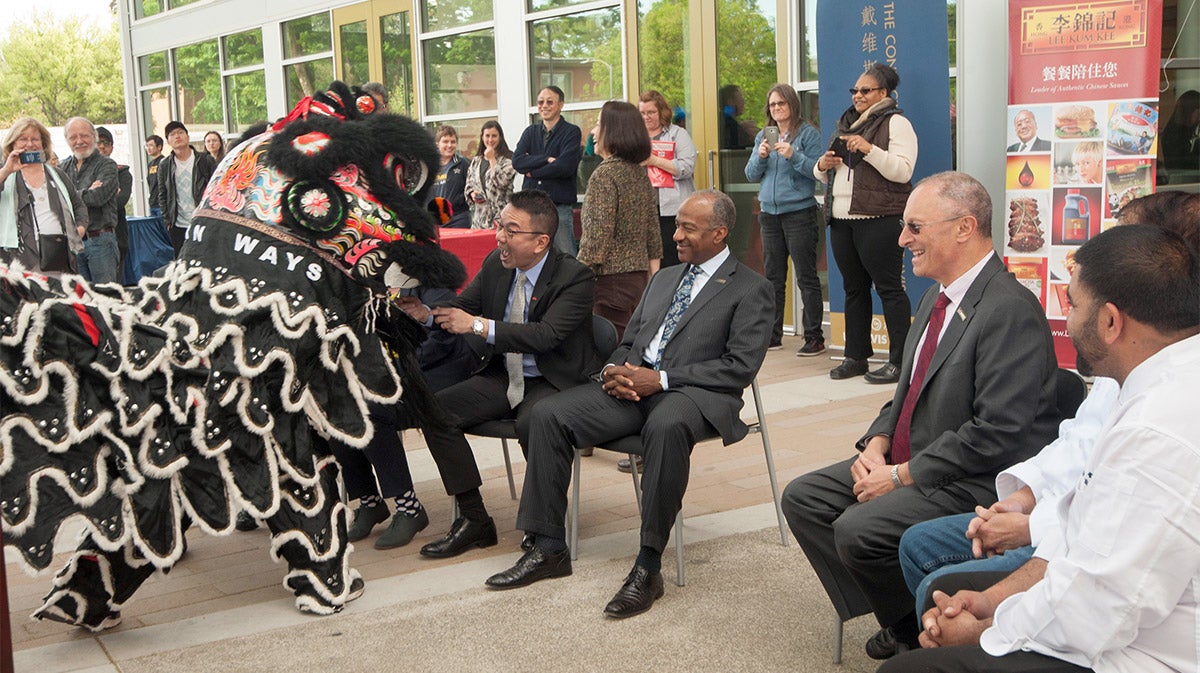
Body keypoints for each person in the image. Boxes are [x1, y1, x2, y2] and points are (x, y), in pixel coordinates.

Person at [883, 224, 1200, 673]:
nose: (1067, 320)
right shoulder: (1156, 382)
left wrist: (989, 628)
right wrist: (993, 601)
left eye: (1074, 304)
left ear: (1111, 322)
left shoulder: (1155, 430)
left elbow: (1099, 608)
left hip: (1141, 654)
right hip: (1109, 621)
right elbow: (1077, 536)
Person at [781, 172, 1061, 659]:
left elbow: (997, 433)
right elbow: (907, 392)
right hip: (916, 456)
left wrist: (899, 476)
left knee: (858, 529)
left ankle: (914, 632)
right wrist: (876, 444)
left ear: (964, 227)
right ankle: (902, 617)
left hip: (971, 477)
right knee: (804, 498)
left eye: (914, 227)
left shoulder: (1009, 310)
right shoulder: (937, 296)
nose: (902, 239)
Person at [485, 190, 773, 620]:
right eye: (677, 225)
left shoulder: (751, 288)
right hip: (634, 386)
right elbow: (628, 341)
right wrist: (613, 371)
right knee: (547, 413)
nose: (675, 235)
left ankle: (648, 565)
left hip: (693, 394)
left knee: (666, 427)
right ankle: (547, 548)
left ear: (719, 233)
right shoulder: (663, 279)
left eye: (687, 228)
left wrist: (662, 379)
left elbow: (739, 367)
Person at [394, 189, 600, 560]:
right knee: (434, 411)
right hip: (504, 374)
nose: (499, 237)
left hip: (553, 380)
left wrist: (477, 325)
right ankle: (474, 519)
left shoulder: (575, 277)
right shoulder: (497, 263)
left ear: (541, 242)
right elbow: (462, 307)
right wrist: (426, 313)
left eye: (510, 230)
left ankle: (545, 523)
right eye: (499, 226)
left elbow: (545, 336)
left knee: (536, 420)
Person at [331, 283, 477, 549]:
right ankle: (369, 501)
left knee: (372, 408)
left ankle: (408, 507)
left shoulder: (432, 280)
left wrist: (386, 365)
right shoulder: (373, 279)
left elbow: (440, 341)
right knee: (337, 406)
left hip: (438, 378)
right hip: (397, 376)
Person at [816, 63, 917, 384]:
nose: (857, 95)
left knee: (889, 289)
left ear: (883, 93)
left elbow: (903, 171)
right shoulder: (845, 124)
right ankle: (856, 357)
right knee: (853, 289)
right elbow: (825, 174)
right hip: (841, 219)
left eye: (865, 90)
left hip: (880, 219)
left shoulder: (896, 123)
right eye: (854, 90)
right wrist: (822, 165)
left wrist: (869, 149)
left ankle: (900, 361)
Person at [744, 83, 825, 355]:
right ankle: (773, 334)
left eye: (781, 103)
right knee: (773, 278)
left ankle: (814, 337)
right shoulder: (763, 135)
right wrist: (760, 156)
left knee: (806, 277)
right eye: (772, 104)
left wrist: (793, 155)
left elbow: (817, 172)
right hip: (769, 215)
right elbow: (751, 174)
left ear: (792, 104)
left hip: (799, 213)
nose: (777, 108)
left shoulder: (808, 134)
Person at [578, 100, 662, 337]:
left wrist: (573, 275)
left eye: (598, 124)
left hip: (609, 284)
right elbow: (653, 233)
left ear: (613, 130)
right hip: (637, 282)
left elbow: (596, 241)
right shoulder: (638, 172)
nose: (593, 132)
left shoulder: (604, 175)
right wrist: (653, 279)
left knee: (612, 352)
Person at [0, 117, 87, 274]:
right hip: (18, 259)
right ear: (13, 143)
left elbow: (78, 205)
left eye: (35, 139)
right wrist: (7, 170)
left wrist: (79, 229)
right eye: (23, 139)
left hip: (57, 256)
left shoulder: (57, 174)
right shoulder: (6, 174)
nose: (29, 144)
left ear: (43, 143)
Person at [511, 86, 583, 256]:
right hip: (531, 208)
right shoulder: (530, 132)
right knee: (532, 255)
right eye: (540, 102)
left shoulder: (571, 132)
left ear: (561, 104)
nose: (544, 106)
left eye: (550, 102)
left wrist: (533, 172)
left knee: (566, 256)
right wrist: (546, 159)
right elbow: (517, 161)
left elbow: (565, 167)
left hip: (559, 208)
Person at [638, 90, 697, 268]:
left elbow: (687, 167)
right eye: (642, 113)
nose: (646, 117)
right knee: (649, 260)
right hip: (643, 208)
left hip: (673, 209)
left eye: (651, 112)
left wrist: (655, 161)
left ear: (661, 112)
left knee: (673, 257)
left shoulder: (678, 134)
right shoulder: (636, 137)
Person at [59, 117, 121, 284]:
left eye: (84, 135)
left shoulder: (107, 165)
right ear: (67, 140)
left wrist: (71, 195)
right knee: (79, 295)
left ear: (94, 137)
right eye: (73, 137)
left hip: (101, 242)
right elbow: (58, 201)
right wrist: (86, 191)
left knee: (105, 294)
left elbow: (97, 198)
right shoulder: (62, 168)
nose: (79, 141)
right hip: (73, 244)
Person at [157, 120, 217, 254]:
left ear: (188, 137)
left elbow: (216, 188)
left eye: (180, 132)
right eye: (172, 134)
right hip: (178, 224)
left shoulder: (205, 160)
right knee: (182, 259)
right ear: (168, 141)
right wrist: (167, 219)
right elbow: (162, 193)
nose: (177, 136)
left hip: (203, 221)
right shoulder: (165, 165)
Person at [465, 120, 516, 230]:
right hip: (479, 220)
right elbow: (469, 185)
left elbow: (501, 183)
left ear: (500, 137)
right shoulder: (476, 161)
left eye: (494, 136)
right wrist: (472, 194)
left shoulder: (508, 160)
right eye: (487, 136)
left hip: (501, 219)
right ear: (482, 137)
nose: (490, 140)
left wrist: (492, 159)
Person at [96, 126, 132, 280]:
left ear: (111, 148)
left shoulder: (122, 173)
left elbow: (120, 201)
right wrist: (109, 193)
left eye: (106, 143)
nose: (102, 146)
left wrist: (94, 195)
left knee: (112, 286)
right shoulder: (80, 172)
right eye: (98, 142)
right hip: (87, 239)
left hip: (115, 236)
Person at [430, 125, 471, 228]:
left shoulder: (463, 164)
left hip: (459, 219)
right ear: (437, 144)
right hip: (436, 220)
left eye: (453, 142)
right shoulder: (430, 166)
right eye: (445, 141)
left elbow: (473, 187)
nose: (449, 145)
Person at [1160, 89, 1199, 171]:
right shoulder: (1176, 135)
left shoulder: (1179, 131)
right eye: (1198, 114)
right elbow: (1181, 165)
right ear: (1190, 112)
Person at [719, 84, 756, 149]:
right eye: (741, 98)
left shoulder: (724, 121)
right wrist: (747, 134)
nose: (743, 102)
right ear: (730, 102)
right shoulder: (727, 123)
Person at [145, 134, 165, 217]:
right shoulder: (150, 164)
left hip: (162, 204)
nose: (148, 148)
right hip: (152, 203)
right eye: (147, 146)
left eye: (151, 145)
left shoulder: (164, 162)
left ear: (159, 147)